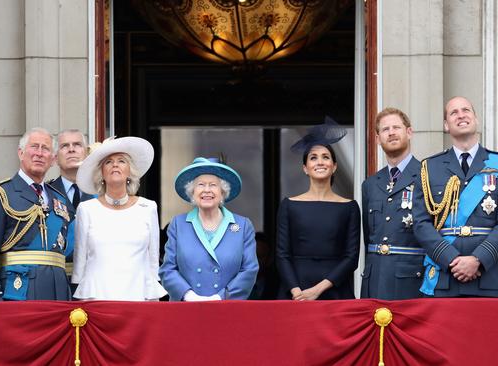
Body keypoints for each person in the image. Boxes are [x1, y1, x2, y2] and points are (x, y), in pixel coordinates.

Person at [412, 96, 498, 297]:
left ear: (476, 119)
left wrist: (478, 259)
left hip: (488, 276)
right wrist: (451, 259)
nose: (461, 115)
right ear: (446, 125)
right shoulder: (429, 168)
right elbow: (421, 223)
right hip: (445, 276)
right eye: (454, 112)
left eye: (466, 110)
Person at [0, 127, 72, 301]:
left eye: (46, 149)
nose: (40, 153)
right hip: (17, 292)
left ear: (53, 159)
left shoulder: (61, 200)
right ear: (21, 153)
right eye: (34, 147)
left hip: (58, 293)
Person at [72, 136, 167, 301]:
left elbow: (153, 262)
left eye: (121, 161)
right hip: (97, 297)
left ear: (130, 170)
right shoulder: (86, 209)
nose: (115, 164)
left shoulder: (148, 207)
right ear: (101, 173)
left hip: (139, 295)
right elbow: (80, 262)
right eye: (108, 162)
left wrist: (153, 297)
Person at [276, 118, 360, 300]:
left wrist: (318, 290)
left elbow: (351, 258)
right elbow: (282, 255)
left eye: (325, 157)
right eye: (313, 158)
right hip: (295, 291)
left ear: (334, 166)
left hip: (335, 290)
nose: (320, 162)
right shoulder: (289, 205)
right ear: (305, 168)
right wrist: (296, 291)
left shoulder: (350, 207)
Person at [159, 157, 259, 301]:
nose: (207, 190)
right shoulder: (178, 224)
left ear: (223, 192)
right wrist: (189, 296)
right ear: (192, 192)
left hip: (227, 309)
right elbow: (167, 269)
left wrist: (220, 297)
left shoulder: (242, 226)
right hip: (186, 309)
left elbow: (249, 270)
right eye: (200, 185)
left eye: (213, 185)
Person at [361, 108, 424, 300]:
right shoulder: (370, 184)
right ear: (378, 138)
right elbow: (368, 237)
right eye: (385, 129)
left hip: (412, 280)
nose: (392, 132)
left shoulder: (427, 175)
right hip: (375, 280)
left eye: (396, 127)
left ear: (409, 132)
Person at [47, 129, 92, 281]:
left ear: (86, 153)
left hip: (93, 280)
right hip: (56, 279)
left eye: (77, 145)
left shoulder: (101, 195)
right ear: (55, 158)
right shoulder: (45, 194)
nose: (71, 149)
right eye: (64, 146)